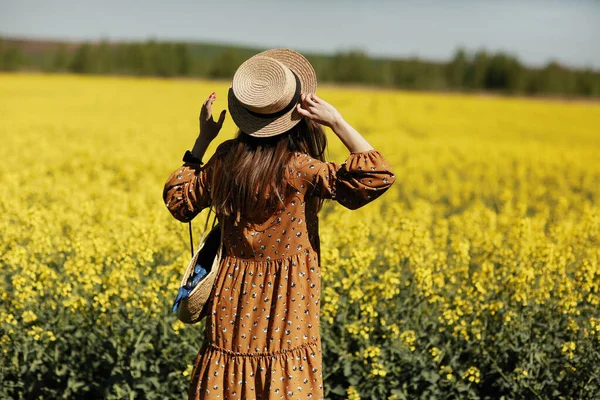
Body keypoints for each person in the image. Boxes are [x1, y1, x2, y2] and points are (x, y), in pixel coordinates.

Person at [163, 49, 396, 400]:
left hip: (233, 296)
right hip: (288, 301)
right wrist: (337, 121)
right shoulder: (300, 168)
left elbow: (180, 202)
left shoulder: (226, 159)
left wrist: (203, 141)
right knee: (284, 379)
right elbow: (376, 175)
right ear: (297, 115)